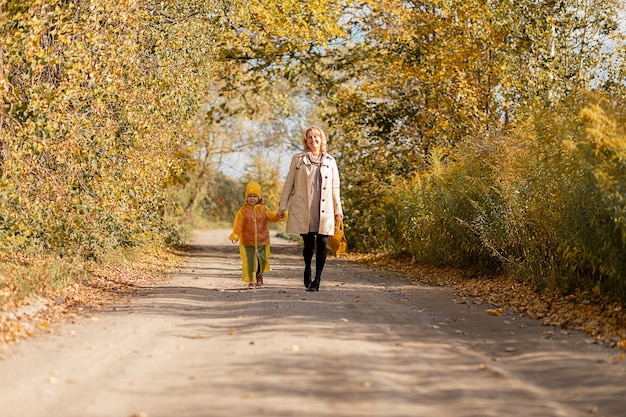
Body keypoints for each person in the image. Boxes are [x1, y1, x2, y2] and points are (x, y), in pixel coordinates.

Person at [277, 126, 344, 292]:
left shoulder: (330, 161)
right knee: (308, 245)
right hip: (304, 208)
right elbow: (289, 185)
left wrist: (338, 210)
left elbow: (335, 188)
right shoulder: (298, 159)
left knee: (322, 243)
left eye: (316, 137)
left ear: (321, 140)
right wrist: (282, 207)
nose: (313, 140)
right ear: (305, 141)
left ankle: (317, 280)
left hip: (325, 210)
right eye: (310, 137)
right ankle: (307, 267)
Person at [230, 182, 282, 288]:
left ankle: (259, 276)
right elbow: (238, 225)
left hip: (262, 241)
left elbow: (272, 217)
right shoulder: (243, 211)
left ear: (259, 197)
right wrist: (235, 236)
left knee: (261, 261)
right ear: (246, 197)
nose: (252, 199)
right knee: (250, 262)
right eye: (250, 196)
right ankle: (251, 281)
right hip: (248, 241)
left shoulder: (264, 209)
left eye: (254, 196)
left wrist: (279, 215)